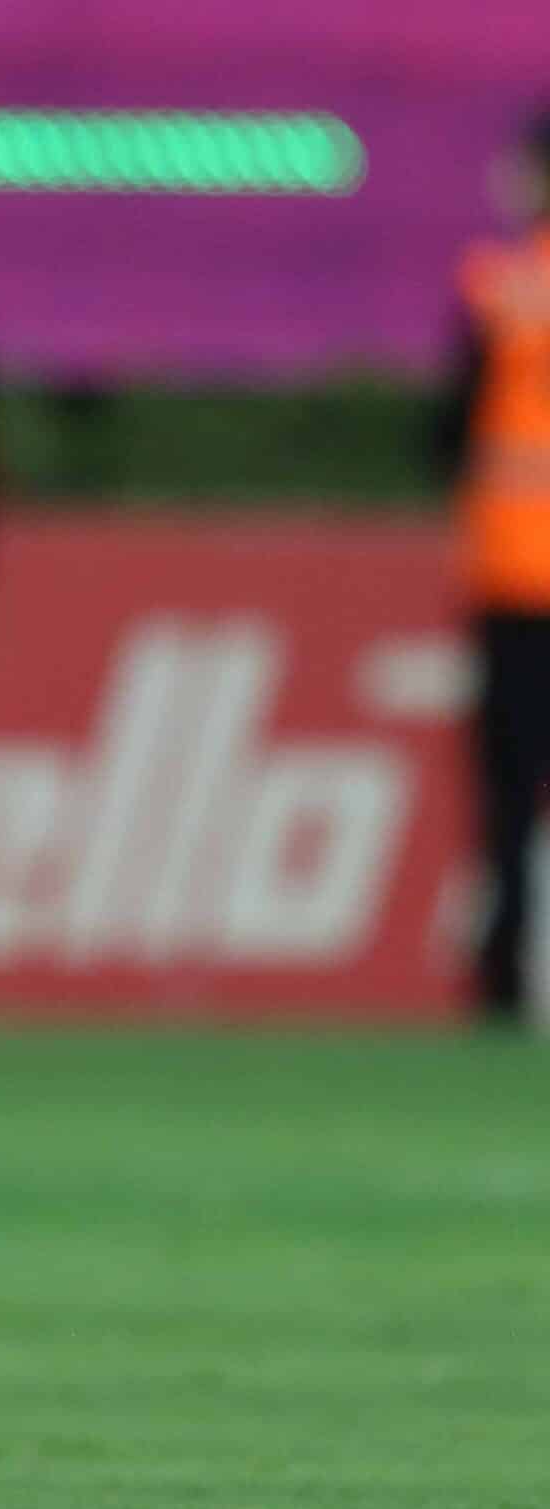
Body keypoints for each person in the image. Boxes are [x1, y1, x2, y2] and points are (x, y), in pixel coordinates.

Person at [436, 107, 550, 1023]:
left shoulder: (502, 286)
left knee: (509, 792)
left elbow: (449, 432)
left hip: (516, 575)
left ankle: (503, 979)